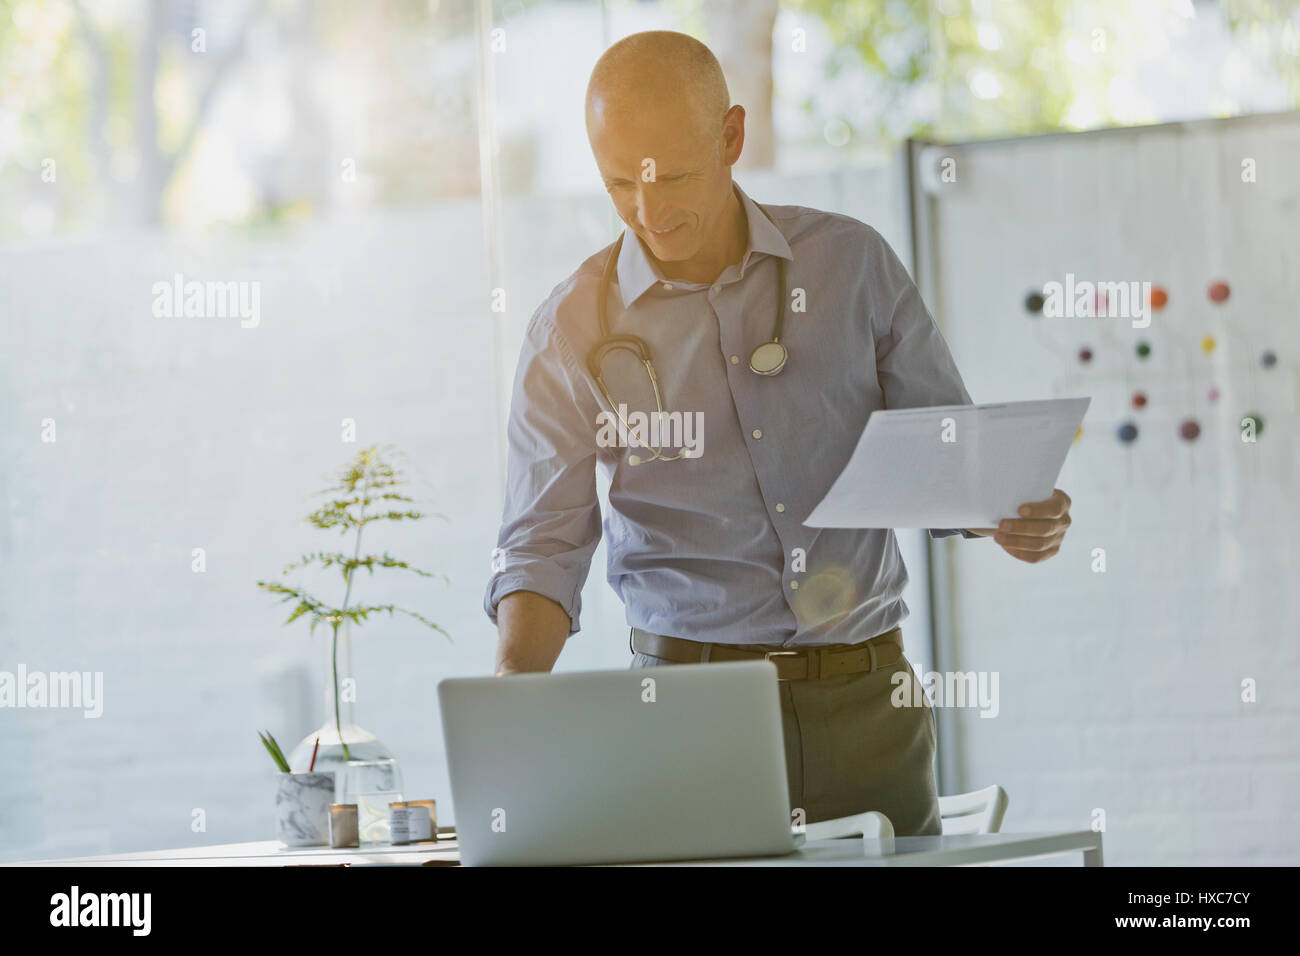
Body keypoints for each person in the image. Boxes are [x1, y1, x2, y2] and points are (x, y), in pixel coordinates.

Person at [483, 30, 1072, 836]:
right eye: (620, 183)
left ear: (731, 135)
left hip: (871, 703)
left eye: (674, 176)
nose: (649, 212)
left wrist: (1004, 512)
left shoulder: (851, 265)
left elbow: (945, 459)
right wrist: (512, 697)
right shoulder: (570, 327)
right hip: (688, 714)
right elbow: (543, 544)